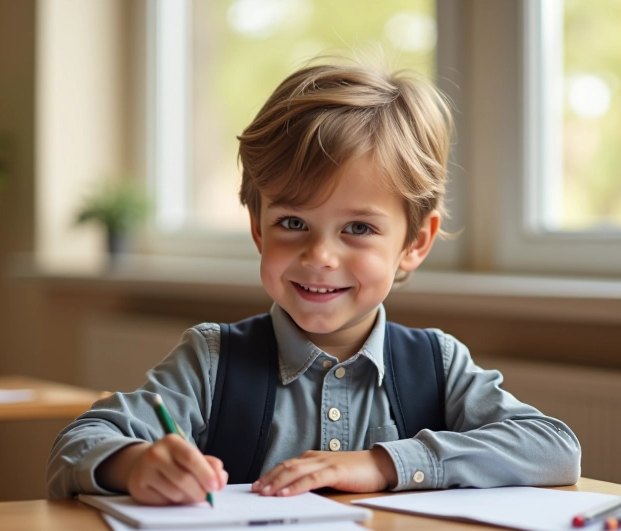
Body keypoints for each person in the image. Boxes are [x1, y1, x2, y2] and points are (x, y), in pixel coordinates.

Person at [47, 63, 580, 504]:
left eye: (358, 228)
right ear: (259, 228)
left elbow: (554, 448)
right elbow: (77, 444)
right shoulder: (211, 360)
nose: (319, 256)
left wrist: (384, 464)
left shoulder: (437, 365)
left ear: (415, 243)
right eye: (293, 223)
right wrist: (135, 463)